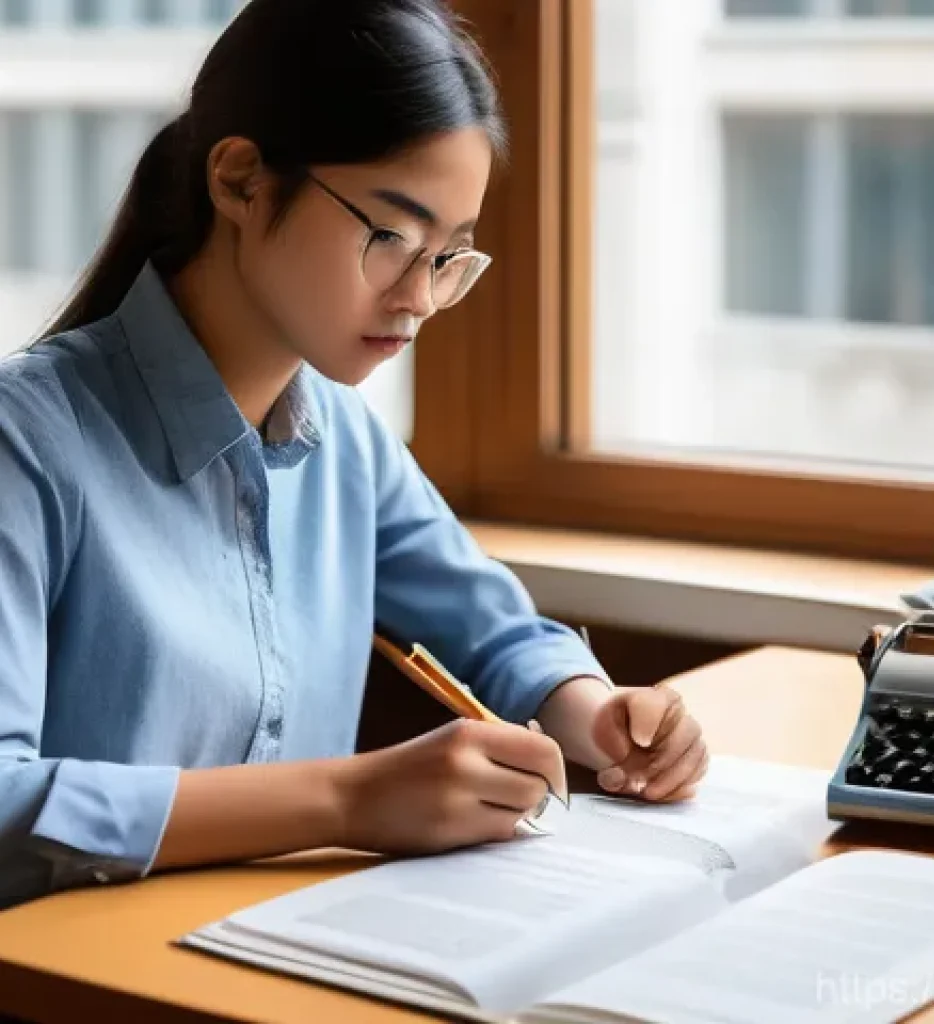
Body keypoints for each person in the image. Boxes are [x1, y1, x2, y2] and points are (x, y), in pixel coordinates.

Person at [0, 0, 707, 912]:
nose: (420, 298)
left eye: (451, 257)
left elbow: (495, 631)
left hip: (279, 951)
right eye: (391, 238)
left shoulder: (347, 440)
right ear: (242, 181)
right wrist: (348, 797)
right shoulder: (27, 441)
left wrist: (597, 712)